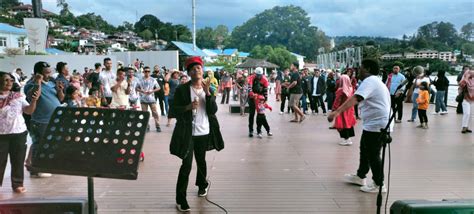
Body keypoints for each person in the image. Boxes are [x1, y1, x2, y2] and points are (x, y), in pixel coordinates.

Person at [170, 56, 224, 212]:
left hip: (204, 131)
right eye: (193, 69)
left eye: (198, 68)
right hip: (187, 132)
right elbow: (173, 111)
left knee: (201, 161)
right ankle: (181, 199)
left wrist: (208, 94)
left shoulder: (209, 88)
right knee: (186, 165)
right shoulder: (182, 89)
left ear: (202, 70)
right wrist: (187, 107)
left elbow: (213, 111)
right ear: (189, 72)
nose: (196, 70)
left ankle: (202, 185)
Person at [328, 59, 391, 193]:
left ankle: (379, 184)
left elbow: (356, 98)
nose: (358, 71)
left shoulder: (370, 81)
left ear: (367, 69)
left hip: (378, 124)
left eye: (360, 68)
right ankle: (360, 176)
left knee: (373, 154)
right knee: (365, 149)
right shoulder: (375, 81)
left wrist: (337, 112)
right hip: (373, 123)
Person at [0, 71, 40, 194]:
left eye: (11, 80)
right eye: (6, 80)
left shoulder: (18, 96)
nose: (9, 82)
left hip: (19, 133)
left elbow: (28, 111)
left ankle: (17, 184)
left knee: (17, 160)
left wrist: (34, 101)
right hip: (1, 135)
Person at [24, 61, 64, 178]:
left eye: (49, 72)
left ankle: (46, 165)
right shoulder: (30, 84)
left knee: (51, 144)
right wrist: (38, 81)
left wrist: (59, 90)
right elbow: (34, 95)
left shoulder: (51, 83)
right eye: (46, 73)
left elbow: (61, 99)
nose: (49, 74)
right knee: (39, 144)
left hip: (55, 119)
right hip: (41, 120)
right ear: (38, 73)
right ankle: (36, 169)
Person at [332, 75, 357, 146]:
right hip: (349, 109)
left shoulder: (341, 90)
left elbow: (337, 101)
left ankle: (346, 139)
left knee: (342, 124)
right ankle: (348, 139)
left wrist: (334, 109)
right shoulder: (351, 88)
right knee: (348, 124)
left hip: (342, 110)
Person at [137, 66, 161, 132]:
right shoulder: (140, 79)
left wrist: (152, 91)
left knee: (155, 113)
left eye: (148, 71)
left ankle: (158, 126)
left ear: (150, 72)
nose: (147, 73)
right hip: (143, 99)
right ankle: (146, 126)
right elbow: (136, 88)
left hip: (151, 99)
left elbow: (158, 88)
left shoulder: (153, 79)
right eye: (145, 71)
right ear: (143, 72)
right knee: (145, 114)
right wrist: (142, 91)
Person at [247, 67, 269, 137]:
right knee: (251, 114)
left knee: (260, 115)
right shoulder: (251, 78)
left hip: (260, 98)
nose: (259, 76)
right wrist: (252, 94)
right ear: (255, 74)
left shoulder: (265, 79)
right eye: (257, 75)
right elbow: (249, 88)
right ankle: (250, 130)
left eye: (260, 75)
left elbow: (265, 90)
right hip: (252, 98)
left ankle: (259, 130)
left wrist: (265, 99)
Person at [459, 68, 474, 134]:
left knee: (471, 115)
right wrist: (466, 78)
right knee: (467, 113)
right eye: (470, 74)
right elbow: (461, 85)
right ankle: (464, 127)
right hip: (466, 98)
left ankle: (467, 127)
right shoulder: (464, 80)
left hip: (473, 99)